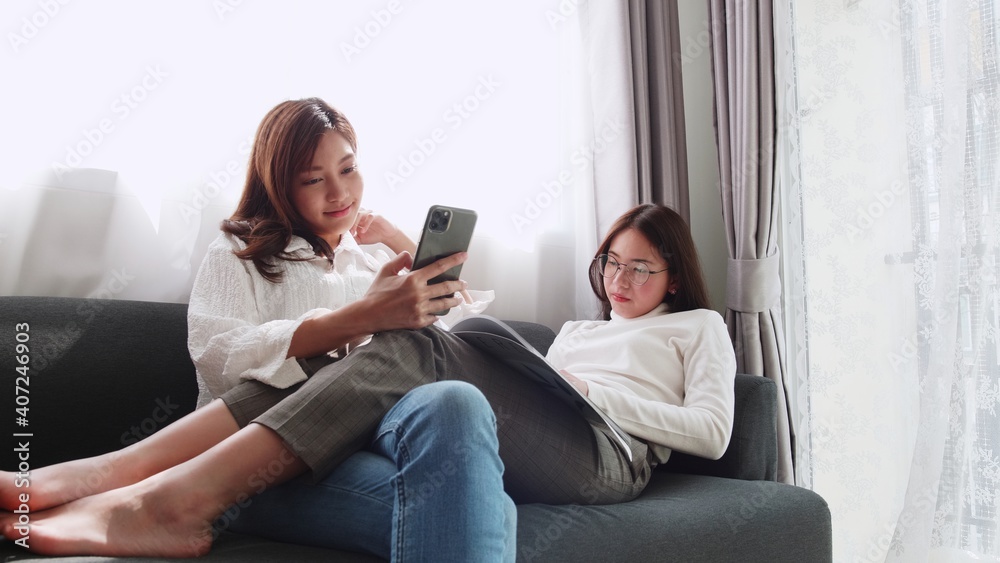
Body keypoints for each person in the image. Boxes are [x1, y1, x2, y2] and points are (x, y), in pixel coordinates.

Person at [0, 98, 736, 559]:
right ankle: (119, 484)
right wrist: (359, 320)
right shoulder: (242, 252)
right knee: (407, 375)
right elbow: (227, 358)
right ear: (278, 184)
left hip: (600, 444)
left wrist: (411, 278)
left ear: (675, 275)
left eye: (347, 170)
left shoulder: (700, 325)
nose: (339, 193)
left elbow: (707, 429)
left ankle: (161, 496)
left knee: (422, 362)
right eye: (314, 178)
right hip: (338, 433)